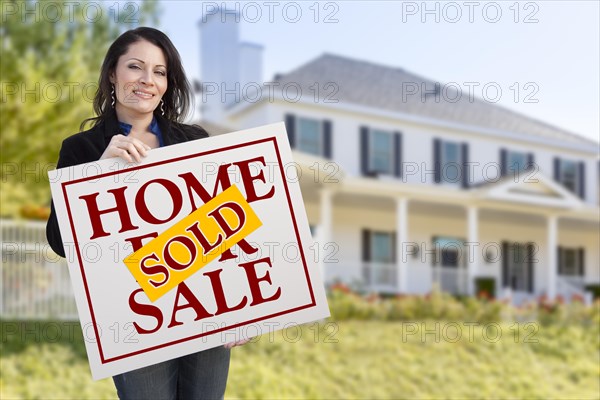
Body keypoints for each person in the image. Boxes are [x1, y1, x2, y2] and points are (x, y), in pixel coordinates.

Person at [45, 26, 247, 400]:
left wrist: (239, 307)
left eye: (159, 71)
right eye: (135, 67)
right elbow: (59, 241)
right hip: (133, 315)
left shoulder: (194, 141)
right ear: (112, 74)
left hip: (204, 303)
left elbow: (226, 229)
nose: (147, 80)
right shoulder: (82, 148)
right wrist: (96, 174)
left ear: (168, 82)